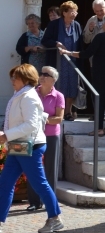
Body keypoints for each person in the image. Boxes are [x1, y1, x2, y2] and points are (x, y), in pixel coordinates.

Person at [0, 64, 64, 233]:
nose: (12, 80)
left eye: (16, 77)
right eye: (12, 77)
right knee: (5, 184)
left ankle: (55, 218)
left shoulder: (28, 97)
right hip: (21, 145)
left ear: (26, 79)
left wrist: (6, 135)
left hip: (30, 146)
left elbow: (30, 125)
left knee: (39, 184)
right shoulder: (22, 95)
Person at [60, 15, 105, 136]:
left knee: (98, 98)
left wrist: (69, 53)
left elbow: (87, 53)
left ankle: (99, 128)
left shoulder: (100, 37)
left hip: (100, 71)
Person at [25, 66, 65, 213]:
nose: (41, 76)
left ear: (53, 79)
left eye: (45, 74)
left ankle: (49, 201)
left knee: (50, 168)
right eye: (41, 74)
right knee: (32, 167)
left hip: (51, 136)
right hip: (34, 135)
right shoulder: (32, 94)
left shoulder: (58, 96)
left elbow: (58, 119)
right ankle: (34, 201)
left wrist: (42, 118)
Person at [41, 1, 81, 119]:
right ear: (64, 13)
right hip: (58, 62)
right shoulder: (54, 25)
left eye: (76, 11)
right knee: (59, 85)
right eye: (72, 11)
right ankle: (57, 111)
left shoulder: (77, 25)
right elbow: (45, 40)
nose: (75, 14)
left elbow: (80, 44)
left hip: (72, 62)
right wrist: (56, 43)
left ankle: (67, 112)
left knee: (72, 86)